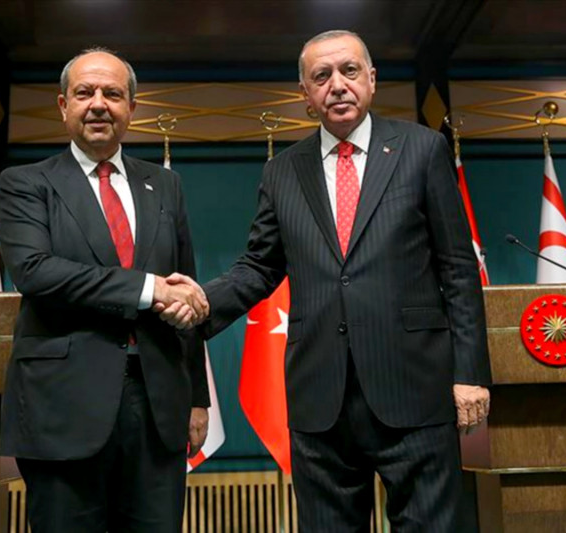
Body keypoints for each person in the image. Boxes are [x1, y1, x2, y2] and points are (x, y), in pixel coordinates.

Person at [160, 30, 492, 531]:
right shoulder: (282, 172)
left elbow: (458, 268)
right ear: (305, 93)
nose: (337, 85)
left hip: (415, 391)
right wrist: (202, 301)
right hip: (321, 399)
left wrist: (469, 373)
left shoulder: (422, 149)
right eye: (321, 76)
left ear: (372, 80)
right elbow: (260, 266)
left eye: (349, 71)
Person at [0, 47, 211, 533]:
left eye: (112, 94)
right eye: (84, 93)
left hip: (158, 407)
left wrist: (197, 398)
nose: (98, 104)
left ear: (131, 108)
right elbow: (35, 271)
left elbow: (184, 290)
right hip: (63, 408)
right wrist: (148, 289)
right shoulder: (26, 183)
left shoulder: (166, 185)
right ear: (63, 106)